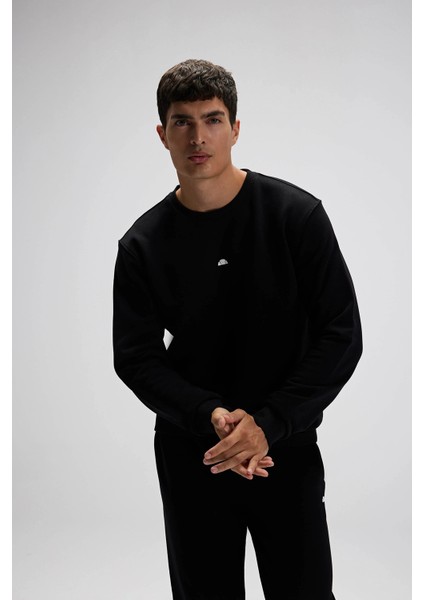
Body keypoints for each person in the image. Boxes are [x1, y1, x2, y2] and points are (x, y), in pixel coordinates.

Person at [113, 59, 362, 600]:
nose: (197, 137)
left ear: (236, 128)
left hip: (284, 448)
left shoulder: (295, 216)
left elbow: (341, 334)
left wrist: (270, 423)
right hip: (194, 453)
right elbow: (135, 356)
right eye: (182, 122)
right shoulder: (142, 244)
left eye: (213, 119)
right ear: (162, 134)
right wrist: (210, 414)